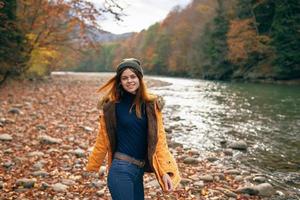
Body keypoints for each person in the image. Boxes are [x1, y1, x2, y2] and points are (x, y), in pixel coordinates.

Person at [85, 58, 181, 200]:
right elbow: (102, 140)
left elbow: (159, 142)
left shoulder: (151, 106)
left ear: (139, 78)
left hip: (138, 171)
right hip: (120, 170)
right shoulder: (112, 107)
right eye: (124, 78)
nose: (129, 81)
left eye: (132, 76)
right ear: (120, 82)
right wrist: (93, 166)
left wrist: (165, 171)